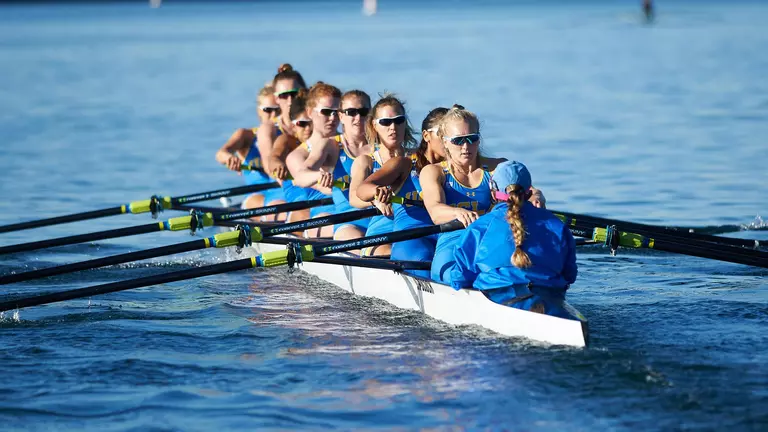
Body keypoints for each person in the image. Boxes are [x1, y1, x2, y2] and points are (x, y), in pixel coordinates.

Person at [448, 161, 578, 318]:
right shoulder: (557, 225)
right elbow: (570, 275)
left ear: (493, 191)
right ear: (530, 192)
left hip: (497, 298)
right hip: (549, 300)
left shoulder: (479, 227)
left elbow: (459, 278)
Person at [419, 105, 505, 283]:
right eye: (458, 141)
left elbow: (524, 190)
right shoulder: (433, 172)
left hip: (489, 240)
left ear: (479, 140)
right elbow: (435, 212)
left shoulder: (498, 168)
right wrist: (457, 212)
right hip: (453, 241)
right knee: (459, 277)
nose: (466, 146)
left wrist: (535, 195)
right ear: (444, 142)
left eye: (472, 139)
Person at [356, 107, 449, 268]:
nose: (449, 140)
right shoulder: (404, 164)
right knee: (424, 256)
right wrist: (376, 192)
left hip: (445, 239)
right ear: (426, 136)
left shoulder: (458, 171)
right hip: (410, 241)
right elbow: (362, 189)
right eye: (443, 134)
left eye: (456, 136)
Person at [350, 94, 417, 256]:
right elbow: (353, 197)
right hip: (383, 229)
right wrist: (375, 200)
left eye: (398, 120)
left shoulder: (418, 158)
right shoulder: (366, 162)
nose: (393, 127)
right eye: (386, 122)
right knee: (390, 252)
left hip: (415, 228)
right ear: (374, 126)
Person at [215, 84, 286, 215]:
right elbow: (221, 153)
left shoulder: (289, 136)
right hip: (257, 197)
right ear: (259, 111)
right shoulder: (246, 136)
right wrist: (230, 158)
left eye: (278, 110)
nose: (273, 115)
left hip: (284, 194)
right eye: (268, 110)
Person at [285, 82, 343, 238]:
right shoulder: (297, 156)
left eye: (337, 112)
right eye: (326, 112)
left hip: (356, 208)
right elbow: (325, 189)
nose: (332, 118)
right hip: (323, 214)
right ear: (310, 112)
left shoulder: (351, 145)